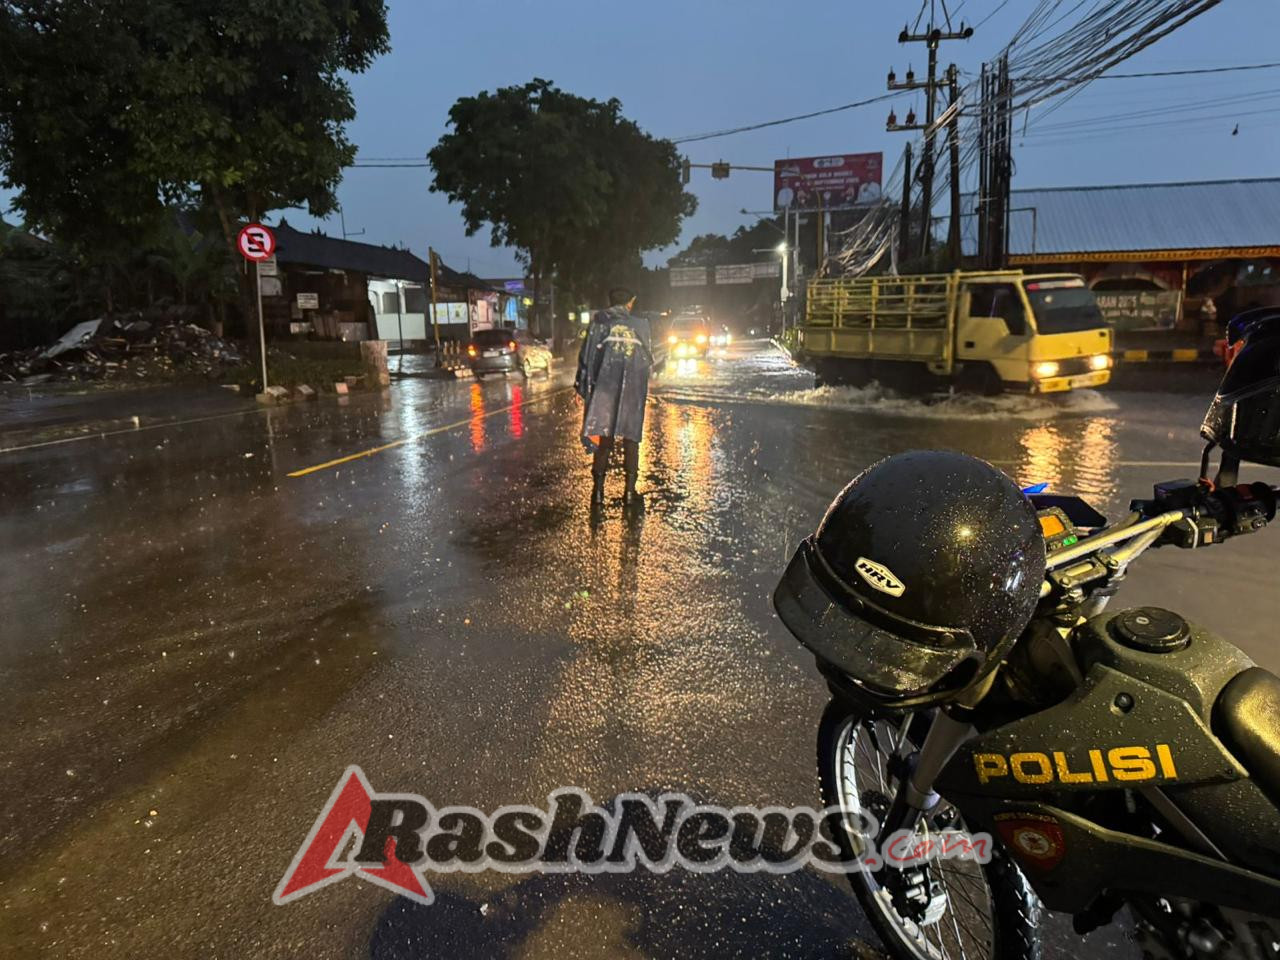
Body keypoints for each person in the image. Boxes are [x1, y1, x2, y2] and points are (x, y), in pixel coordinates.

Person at [575, 287, 653, 511]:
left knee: (604, 440)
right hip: (632, 390)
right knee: (631, 438)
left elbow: (587, 358)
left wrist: (582, 388)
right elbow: (647, 360)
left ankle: (598, 493)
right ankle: (629, 492)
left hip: (604, 389)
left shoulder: (599, 323)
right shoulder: (642, 326)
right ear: (631, 302)